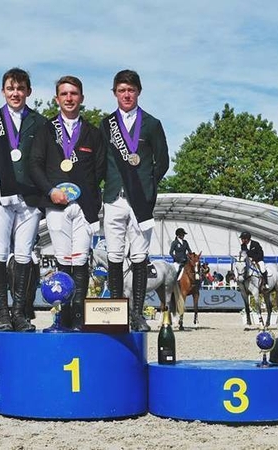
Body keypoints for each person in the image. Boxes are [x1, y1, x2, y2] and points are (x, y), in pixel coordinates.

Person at [0, 67, 47, 332]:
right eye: (10, 88)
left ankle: (20, 313)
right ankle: (3, 313)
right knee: (0, 254)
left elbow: (45, 161)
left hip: (30, 199)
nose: (15, 93)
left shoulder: (39, 122)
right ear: (3, 91)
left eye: (20, 88)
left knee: (24, 254)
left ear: (28, 91)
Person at [30, 75, 105, 330]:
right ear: (57, 99)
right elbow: (35, 165)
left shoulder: (93, 134)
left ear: (81, 98)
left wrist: (90, 200)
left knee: (81, 261)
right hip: (56, 205)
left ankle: (80, 320)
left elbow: (100, 171)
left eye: (74, 94)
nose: (69, 98)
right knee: (63, 260)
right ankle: (62, 317)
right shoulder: (45, 130)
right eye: (64, 94)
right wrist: (50, 191)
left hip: (84, 207)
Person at [101, 69, 169, 332]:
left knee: (140, 255)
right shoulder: (106, 125)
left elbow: (162, 162)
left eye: (131, 90)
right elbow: (100, 161)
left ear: (138, 91)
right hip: (113, 197)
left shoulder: (152, 124)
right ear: (115, 93)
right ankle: (118, 312)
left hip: (141, 199)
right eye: (121, 90)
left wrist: (148, 186)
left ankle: (138, 314)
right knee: (114, 255)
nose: (126, 94)